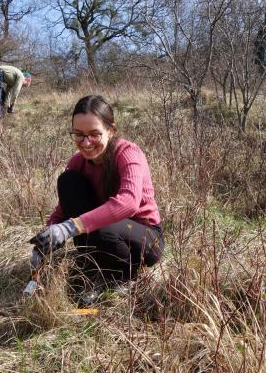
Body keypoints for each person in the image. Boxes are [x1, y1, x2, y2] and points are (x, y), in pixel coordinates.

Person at [28, 95, 164, 305]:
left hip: (144, 238)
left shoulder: (128, 153)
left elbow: (129, 201)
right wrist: (46, 240)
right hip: (106, 231)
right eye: (78, 134)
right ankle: (96, 266)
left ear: (111, 130)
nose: (86, 142)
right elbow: (63, 209)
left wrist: (71, 228)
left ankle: (124, 275)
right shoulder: (77, 162)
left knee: (98, 225)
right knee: (68, 181)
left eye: (94, 134)